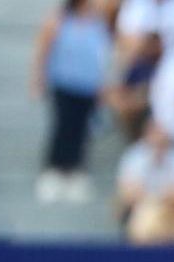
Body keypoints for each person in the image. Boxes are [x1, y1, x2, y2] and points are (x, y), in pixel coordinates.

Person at [33, 0, 112, 204]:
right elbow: (43, 48)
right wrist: (38, 77)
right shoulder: (59, 19)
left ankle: (76, 169)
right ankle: (54, 169)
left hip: (88, 85)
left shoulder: (98, 21)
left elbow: (101, 55)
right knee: (63, 126)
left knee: (82, 129)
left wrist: (103, 84)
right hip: (64, 82)